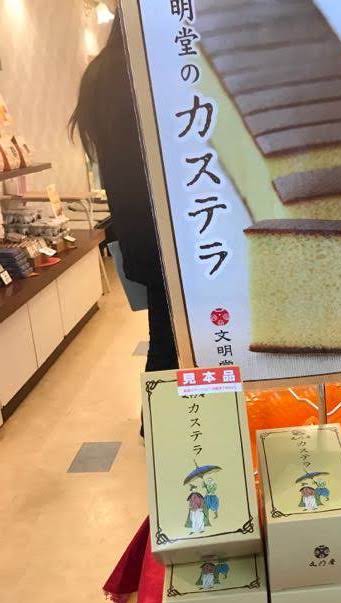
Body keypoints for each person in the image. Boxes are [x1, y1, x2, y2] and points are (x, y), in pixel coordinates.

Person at [69, 13, 178, 374]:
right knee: (181, 338)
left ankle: (167, 407)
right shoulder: (148, 68)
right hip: (175, 230)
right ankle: (179, 409)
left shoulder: (99, 73)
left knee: (165, 335)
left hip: (137, 229)